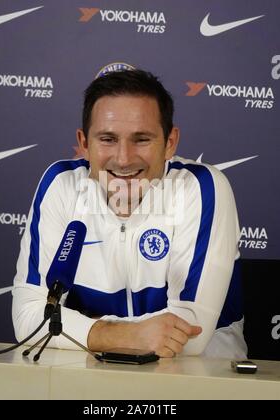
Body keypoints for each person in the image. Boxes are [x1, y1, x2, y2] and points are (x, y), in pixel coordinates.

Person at [12, 69, 247, 358]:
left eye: (142, 139)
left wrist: (80, 330)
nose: (123, 159)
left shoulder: (201, 187)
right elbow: (28, 319)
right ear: (84, 143)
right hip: (93, 377)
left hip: (198, 381)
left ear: (170, 142)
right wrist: (128, 335)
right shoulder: (61, 185)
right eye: (108, 139)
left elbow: (190, 337)